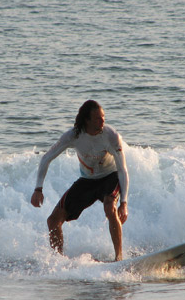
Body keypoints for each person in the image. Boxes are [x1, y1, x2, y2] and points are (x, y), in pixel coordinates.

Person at [30, 100, 129, 261]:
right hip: (87, 180)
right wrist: (38, 189)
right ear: (86, 120)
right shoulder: (73, 136)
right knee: (53, 220)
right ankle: (59, 261)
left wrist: (124, 203)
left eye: (103, 117)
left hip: (110, 176)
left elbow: (123, 170)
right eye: (97, 118)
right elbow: (46, 158)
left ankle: (119, 258)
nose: (102, 121)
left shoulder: (111, 136)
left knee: (110, 206)